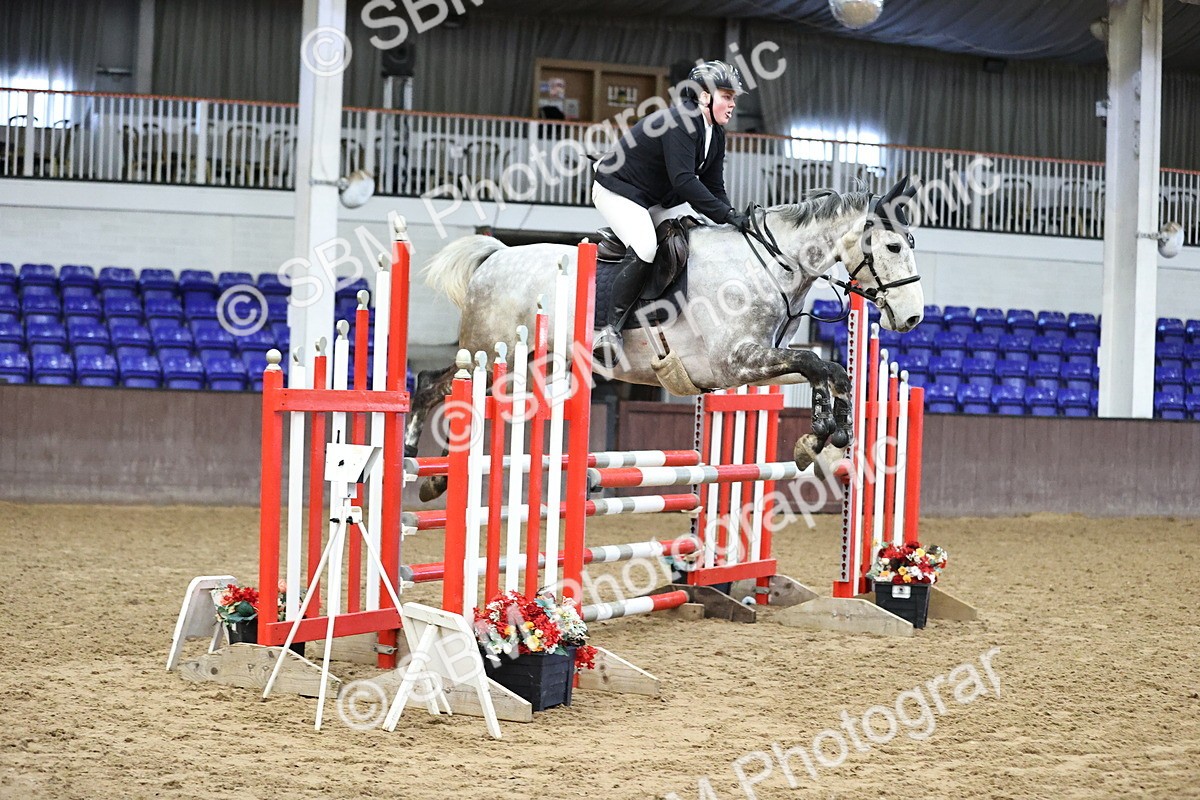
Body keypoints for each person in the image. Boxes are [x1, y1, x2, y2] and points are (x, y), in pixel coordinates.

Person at [590, 59, 752, 367]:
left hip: (653, 198)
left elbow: (714, 187)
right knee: (646, 247)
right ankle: (609, 331)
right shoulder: (681, 121)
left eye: (733, 97)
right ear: (705, 96)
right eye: (727, 96)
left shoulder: (715, 134)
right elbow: (684, 181)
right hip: (618, 190)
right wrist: (726, 215)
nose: (732, 104)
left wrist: (732, 218)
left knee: (696, 235)